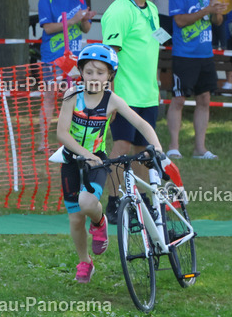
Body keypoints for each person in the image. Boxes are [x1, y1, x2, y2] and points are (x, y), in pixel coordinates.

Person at [56, 45, 164, 283]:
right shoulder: (72, 95)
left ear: (110, 76)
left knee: (87, 203)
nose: (94, 77)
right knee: (75, 219)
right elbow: (62, 133)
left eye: (100, 72)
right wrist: (84, 153)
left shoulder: (112, 100)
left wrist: (157, 147)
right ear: (81, 72)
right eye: (89, 72)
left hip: (97, 161)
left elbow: (142, 124)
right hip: (72, 161)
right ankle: (85, 262)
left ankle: (99, 221)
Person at [100, 0, 166, 225]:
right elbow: (108, 57)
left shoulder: (152, 9)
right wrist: (110, 97)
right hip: (125, 95)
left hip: (148, 94)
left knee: (143, 149)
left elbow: (155, 45)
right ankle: (114, 202)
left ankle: (142, 200)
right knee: (122, 146)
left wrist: (157, 83)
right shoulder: (118, 11)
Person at [166, 0, 228, 160]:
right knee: (179, 100)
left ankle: (200, 149)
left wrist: (217, 12)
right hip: (184, 54)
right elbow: (180, 21)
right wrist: (207, 10)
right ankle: (173, 147)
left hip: (205, 54)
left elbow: (216, 22)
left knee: (204, 100)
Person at [36, 0, 94, 147]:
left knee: (75, 97)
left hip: (74, 57)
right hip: (52, 57)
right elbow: (48, 28)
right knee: (49, 96)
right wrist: (73, 20)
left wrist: (84, 20)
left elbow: (86, 28)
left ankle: (73, 140)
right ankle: (43, 142)